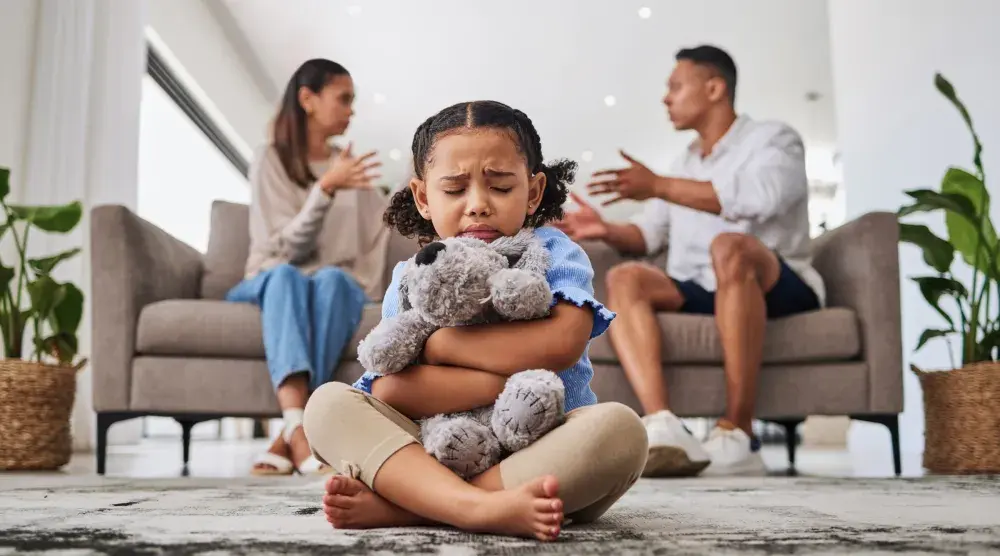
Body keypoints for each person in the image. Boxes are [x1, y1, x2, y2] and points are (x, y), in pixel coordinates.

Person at [302, 101, 647, 541]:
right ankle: (479, 507)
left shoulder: (553, 251)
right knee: (327, 405)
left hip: (541, 446)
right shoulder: (412, 277)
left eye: (501, 187)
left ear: (534, 191)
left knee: (621, 431)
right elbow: (390, 391)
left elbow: (563, 343)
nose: (478, 206)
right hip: (435, 444)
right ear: (424, 197)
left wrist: (441, 347)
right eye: (454, 190)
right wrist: (504, 372)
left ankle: (419, 505)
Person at [556, 45, 825, 478]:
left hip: (777, 284)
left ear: (715, 87)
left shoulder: (773, 139)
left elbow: (760, 199)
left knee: (729, 247)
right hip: (704, 287)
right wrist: (605, 229)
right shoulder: (682, 163)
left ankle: (738, 431)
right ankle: (664, 424)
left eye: (676, 86)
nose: (666, 97)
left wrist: (659, 185)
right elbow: (648, 234)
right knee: (627, 276)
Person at [226, 59, 390, 476]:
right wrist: (325, 189)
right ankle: (306, 434)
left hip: (325, 283)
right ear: (308, 99)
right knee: (286, 275)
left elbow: (383, 225)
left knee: (336, 280)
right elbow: (284, 249)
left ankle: (292, 432)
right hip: (270, 277)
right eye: (344, 99)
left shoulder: (349, 167)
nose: (351, 110)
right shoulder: (271, 160)